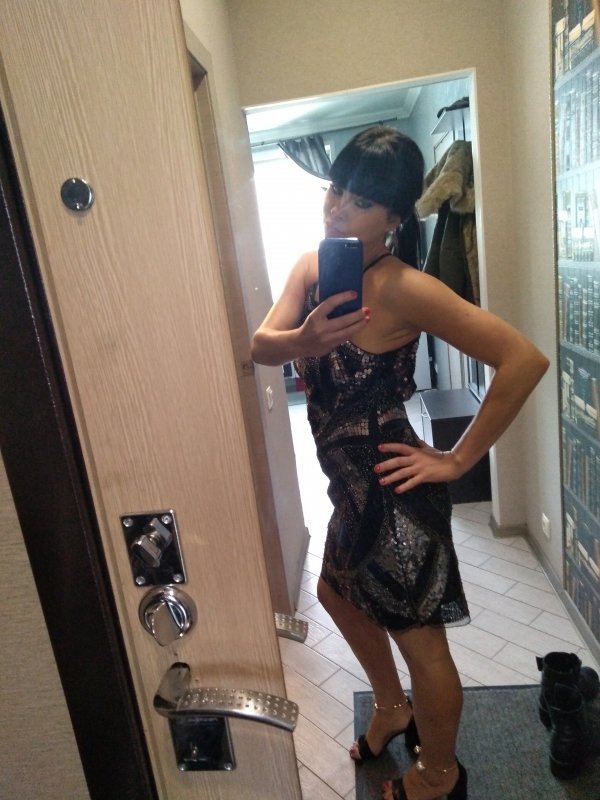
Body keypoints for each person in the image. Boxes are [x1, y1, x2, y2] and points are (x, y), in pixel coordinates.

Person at [251, 126, 549, 800]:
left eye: (360, 202)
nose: (337, 208)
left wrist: (457, 458)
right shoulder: (311, 266)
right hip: (348, 491)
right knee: (335, 593)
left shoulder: (403, 286)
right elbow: (261, 345)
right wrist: (303, 339)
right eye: (336, 189)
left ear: (393, 217)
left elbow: (522, 360)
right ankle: (391, 707)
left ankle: (439, 775)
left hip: (392, 490)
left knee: (422, 642)